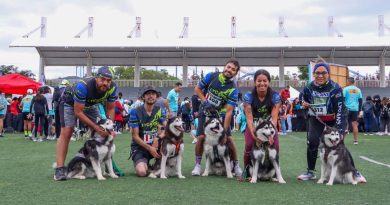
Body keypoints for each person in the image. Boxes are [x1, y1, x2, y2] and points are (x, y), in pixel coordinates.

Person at [296, 61, 366, 183]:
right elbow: (300, 100)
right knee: (312, 142)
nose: (320, 76)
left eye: (324, 73)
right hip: (316, 119)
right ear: (314, 74)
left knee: (340, 144)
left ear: (328, 74)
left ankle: (355, 171)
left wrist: (340, 128)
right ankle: (310, 172)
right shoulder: (308, 87)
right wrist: (303, 104)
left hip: (333, 119)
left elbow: (340, 110)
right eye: (317, 73)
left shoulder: (336, 88)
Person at [54, 66, 117, 181]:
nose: (105, 83)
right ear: (96, 78)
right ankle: (59, 168)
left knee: (105, 130)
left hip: (90, 104)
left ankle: (107, 165)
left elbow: (111, 108)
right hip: (69, 103)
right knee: (67, 132)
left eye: (108, 80)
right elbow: (78, 112)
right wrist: (95, 127)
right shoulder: (83, 86)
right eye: (102, 79)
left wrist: (110, 128)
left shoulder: (112, 87)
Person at [191, 59, 242, 177]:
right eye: (228, 67)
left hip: (221, 114)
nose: (229, 70)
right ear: (224, 67)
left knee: (229, 139)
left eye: (233, 69)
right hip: (205, 110)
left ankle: (236, 165)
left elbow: (229, 112)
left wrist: (224, 132)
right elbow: (197, 89)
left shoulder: (233, 89)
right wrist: (205, 102)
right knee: (201, 137)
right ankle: (197, 165)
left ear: (235, 73)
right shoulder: (211, 76)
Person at [242, 69, 281, 177]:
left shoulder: (275, 96)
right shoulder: (248, 96)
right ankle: (246, 170)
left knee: (275, 145)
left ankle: (274, 172)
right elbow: (249, 118)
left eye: (265, 80)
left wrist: (271, 133)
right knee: (249, 145)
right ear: (255, 82)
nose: (262, 83)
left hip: (269, 126)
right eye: (259, 81)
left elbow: (274, 117)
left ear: (269, 82)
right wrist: (254, 135)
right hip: (253, 125)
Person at [129, 86, 166, 177]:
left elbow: (167, 128)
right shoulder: (135, 112)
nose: (150, 96)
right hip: (140, 147)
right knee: (142, 172)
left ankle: (156, 165)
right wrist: (150, 148)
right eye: (148, 94)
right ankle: (144, 165)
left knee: (168, 148)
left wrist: (158, 138)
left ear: (156, 97)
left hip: (156, 145)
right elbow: (135, 136)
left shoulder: (160, 110)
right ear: (143, 97)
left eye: (153, 94)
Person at [343, 77, 363, 145]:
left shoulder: (345, 89)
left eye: (347, 81)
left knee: (345, 125)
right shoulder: (358, 90)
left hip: (346, 109)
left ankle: (342, 141)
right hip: (355, 109)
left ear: (349, 82)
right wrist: (359, 110)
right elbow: (360, 101)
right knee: (355, 125)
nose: (346, 82)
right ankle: (355, 141)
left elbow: (343, 99)